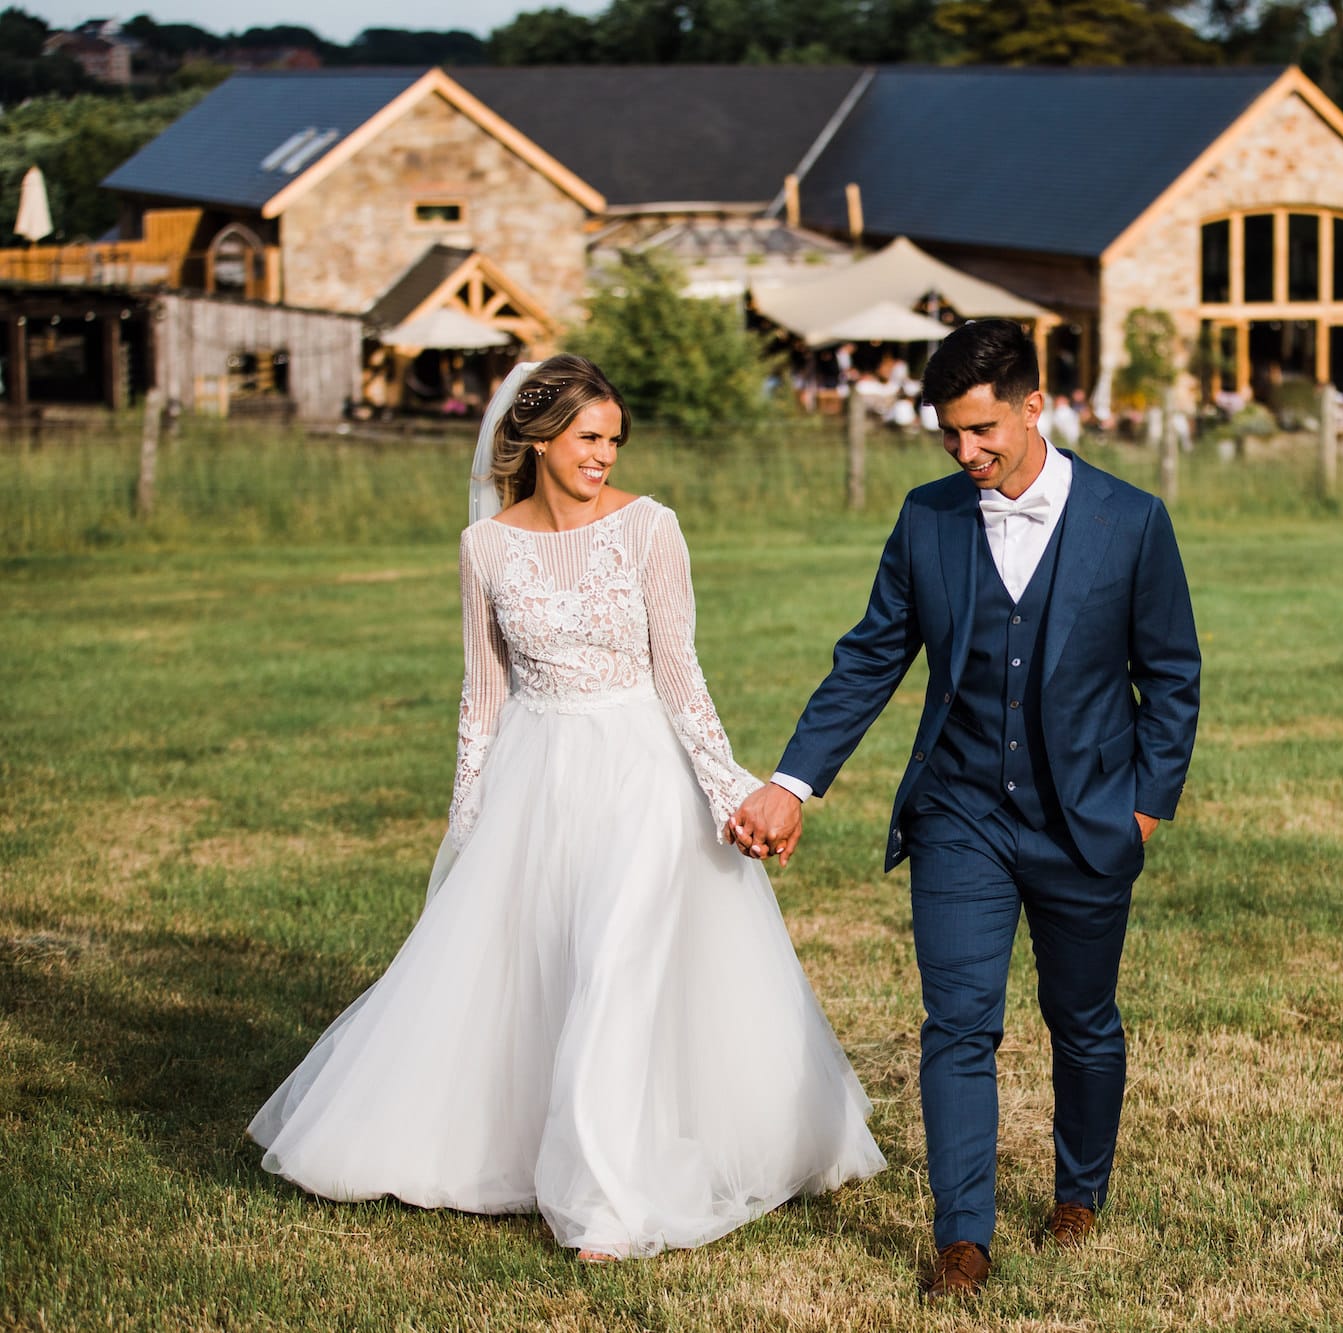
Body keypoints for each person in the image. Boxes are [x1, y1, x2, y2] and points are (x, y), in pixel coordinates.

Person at [248, 355, 884, 1263]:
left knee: (617, 964)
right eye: (589, 437)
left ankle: (609, 1202)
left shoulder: (651, 527)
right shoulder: (485, 547)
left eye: (614, 440)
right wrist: (468, 824)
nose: (604, 455)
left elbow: (682, 676)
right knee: (549, 968)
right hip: (536, 779)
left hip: (640, 776)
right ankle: (526, 1148)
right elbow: (482, 696)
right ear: (539, 437)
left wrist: (730, 791)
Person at [728, 320, 1201, 1301]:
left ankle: (1078, 1191)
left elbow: (1171, 678)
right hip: (958, 812)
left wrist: (1144, 811)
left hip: (1087, 818)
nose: (964, 450)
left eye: (982, 429)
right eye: (948, 432)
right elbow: (870, 657)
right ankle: (962, 1238)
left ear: (1035, 405)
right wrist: (793, 779)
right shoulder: (927, 518)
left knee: (1082, 1019)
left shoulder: (1131, 520)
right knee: (956, 1022)